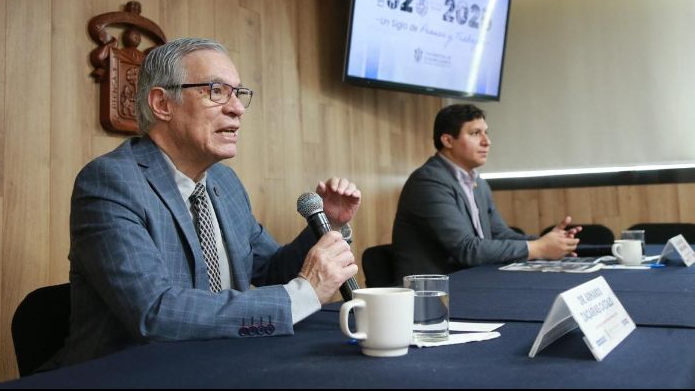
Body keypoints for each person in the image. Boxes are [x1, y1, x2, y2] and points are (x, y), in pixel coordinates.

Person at [50, 37, 360, 368]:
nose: (237, 108)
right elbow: (155, 312)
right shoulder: (111, 182)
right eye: (216, 91)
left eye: (238, 93)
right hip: (130, 374)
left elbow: (272, 271)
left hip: (226, 365)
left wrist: (327, 225)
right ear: (162, 103)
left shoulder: (225, 183)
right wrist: (302, 292)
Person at [392, 104, 580, 279]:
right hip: (436, 293)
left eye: (486, 133)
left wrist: (550, 242)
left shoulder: (478, 183)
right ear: (448, 140)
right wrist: (538, 248)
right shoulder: (429, 182)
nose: (487, 141)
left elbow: (500, 235)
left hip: (472, 280)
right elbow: (466, 249)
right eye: (475, 133)